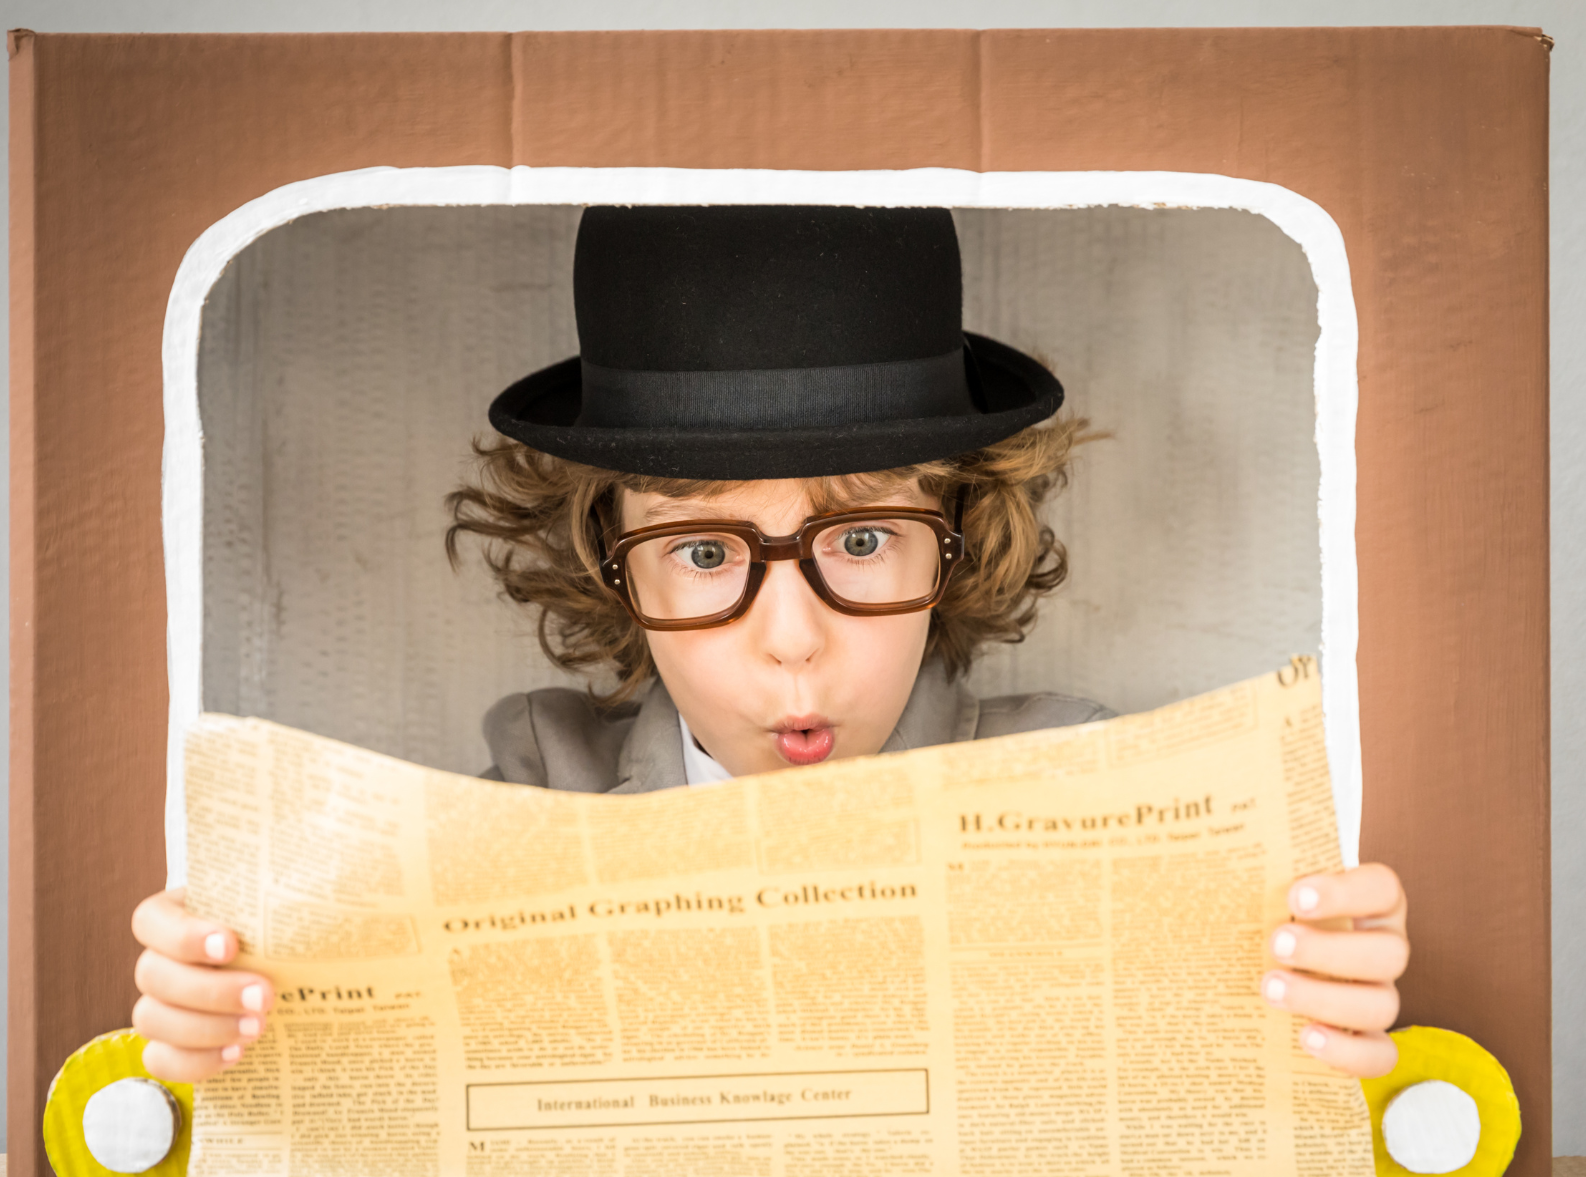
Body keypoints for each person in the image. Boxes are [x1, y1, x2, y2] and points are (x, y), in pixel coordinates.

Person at [130, 205, 1408, 1084]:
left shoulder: (1095, 788)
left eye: (859, 542)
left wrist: (1323, 1021)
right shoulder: (525, 799)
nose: (789, 645)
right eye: (701, 553)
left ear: (956, 539)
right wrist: (226, 1035)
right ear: (609, 570)